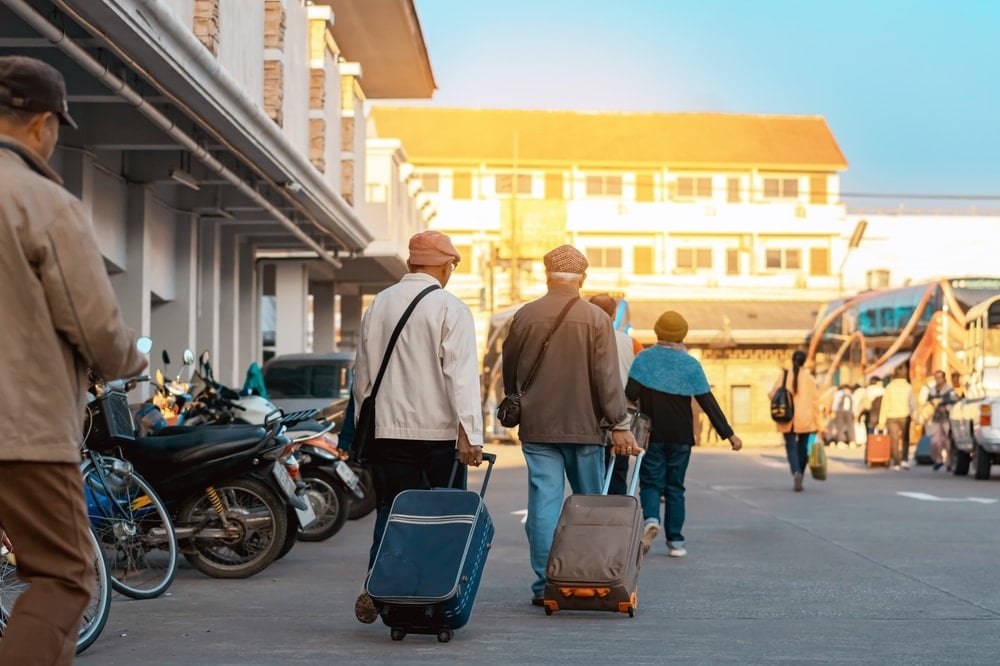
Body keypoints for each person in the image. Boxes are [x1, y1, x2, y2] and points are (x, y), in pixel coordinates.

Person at [0, 55, 147, 665]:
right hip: (22, 428)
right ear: (43, 124)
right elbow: (96, 328)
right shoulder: (41, 201)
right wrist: (129, 361)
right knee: (65, 576)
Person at [351, 230, 484, 623]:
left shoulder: (379, 304)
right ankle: (434, 592)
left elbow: (363, 376)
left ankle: (378, 585)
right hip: (439, 434)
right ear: (447, 266)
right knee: (443, 516)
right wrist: (470, 435)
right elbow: (460, 377)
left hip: (388, 431)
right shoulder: (450, 308)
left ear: (410, 264)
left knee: (392, 512)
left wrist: (364, 426)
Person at [501, 244, 637, 607]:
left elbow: (509, 370)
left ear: (547, 275)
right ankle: (587, 575)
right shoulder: (596, 318)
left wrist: (518, 399)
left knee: (543, 504)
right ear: (584, 278)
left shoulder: (525, 315)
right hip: (585, 427)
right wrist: (619, 424)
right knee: (588, 506)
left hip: (537, 425)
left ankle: (546, 583)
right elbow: (607, 378)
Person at [626, 311, 742, 558]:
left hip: (651, 434)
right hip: (681, 436)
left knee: (650, 482)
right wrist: (729, 434)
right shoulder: (690, 364)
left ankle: (652, 519)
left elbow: (630, 391)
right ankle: (676, 542)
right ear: (682, 335)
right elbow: (707, 401)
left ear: (657, 332)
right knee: (675, 488)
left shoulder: (644, 359)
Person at [589, 292, 636, 495]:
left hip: (591, 414)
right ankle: (616, 517)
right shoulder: (631, 343)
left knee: (592, 473)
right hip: (622, 413)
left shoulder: (585, 338)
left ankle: (594, 513)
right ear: (614, 312)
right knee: (618, 470)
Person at [769, 350, 820, 492]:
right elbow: (816, 402)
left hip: (787, 417)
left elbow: (773, 395)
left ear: (792, 360)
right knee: (803, 449)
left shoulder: (784, 376)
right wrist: (819, 424)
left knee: (791, 448)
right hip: (806, 419)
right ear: (804, 362)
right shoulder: (809, 379)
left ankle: (796, 471)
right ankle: (801, 474)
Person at [876, 363, 917, 470]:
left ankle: (896, 462)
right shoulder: (908, 387)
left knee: (893, 440)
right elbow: (912, 403)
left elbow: (885, 404)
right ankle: (904, 460)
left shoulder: (890, 387)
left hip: (891, 416)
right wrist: (915, 415)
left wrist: (881, 420)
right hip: (905, 415)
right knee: (905, 439)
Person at [919, 370, 958, 471]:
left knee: (948, 442)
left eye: (939, 377)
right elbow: (926, 403)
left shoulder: (950, 390)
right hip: (935, 419)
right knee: (934, 442)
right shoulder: (932, 390)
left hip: (947, 419)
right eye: (936, 377)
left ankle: (949, 462)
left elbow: (955, 403)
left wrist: (946, 408)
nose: (937, 380)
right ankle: (938, 460)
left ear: (944, 378)